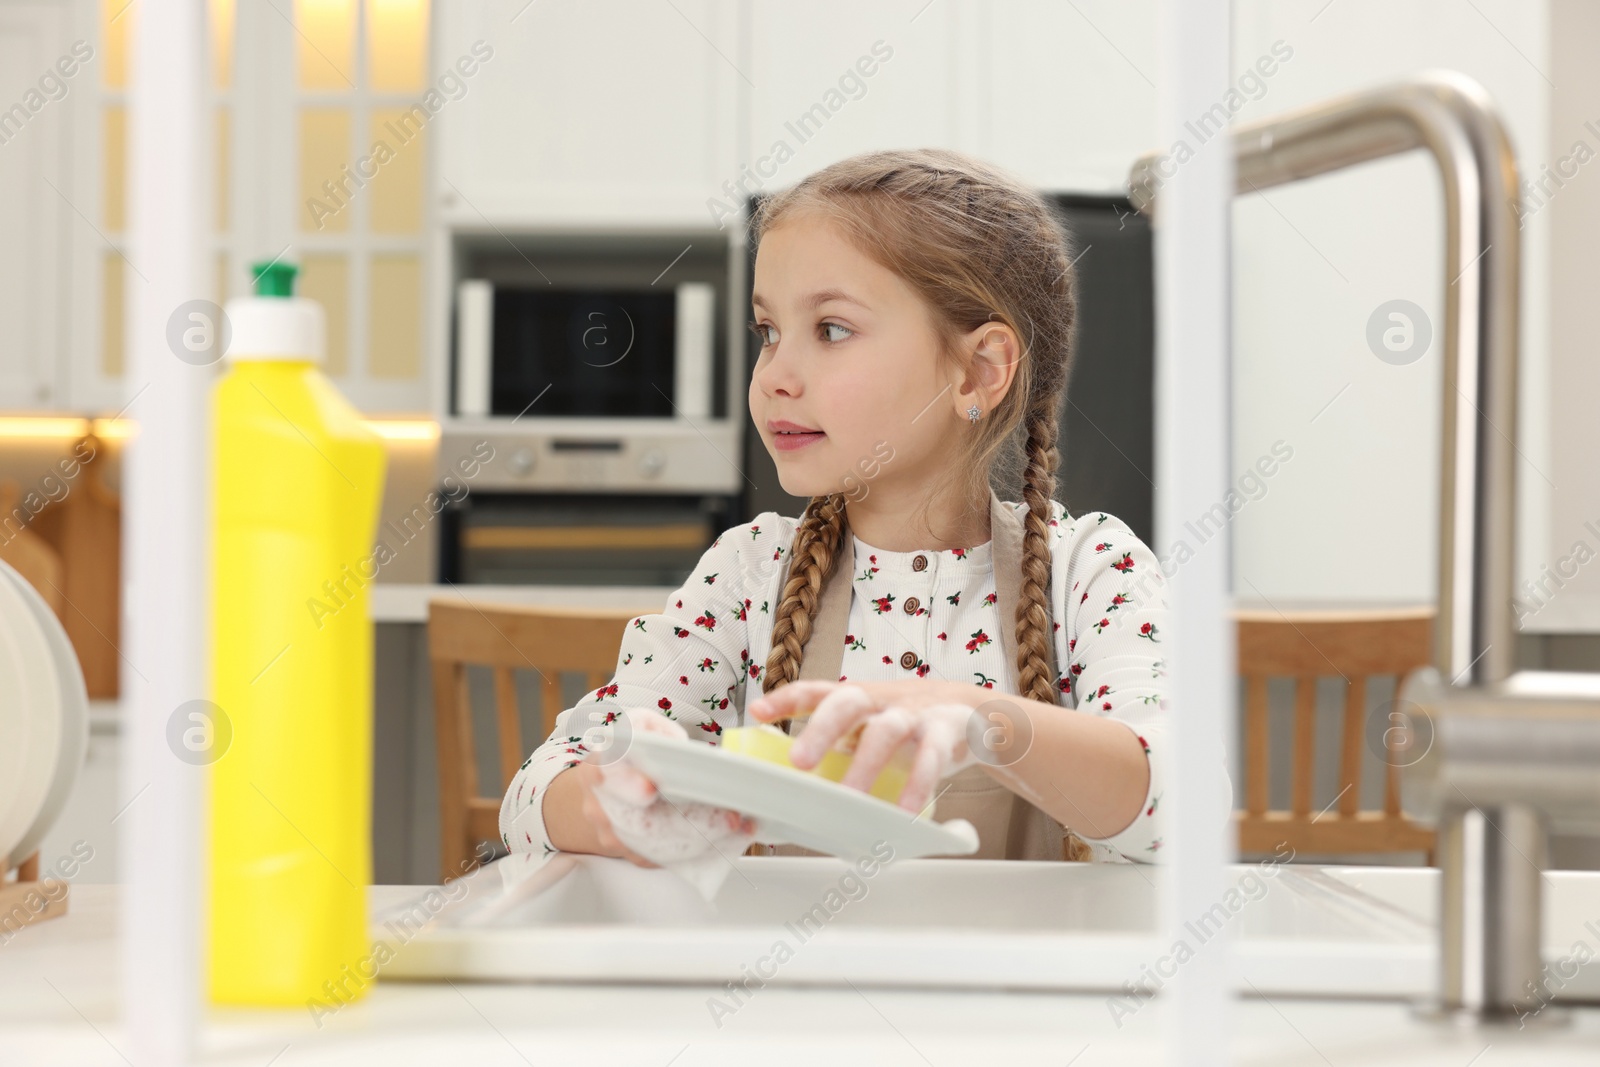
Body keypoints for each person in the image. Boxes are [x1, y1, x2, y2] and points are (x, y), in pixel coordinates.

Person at [500, 147, 1175, 868]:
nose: (775, 377)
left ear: (980, 370)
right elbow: (536, 792)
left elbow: (1175, 800)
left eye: (830, 329)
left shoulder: (1090, 573)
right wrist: (611, 805)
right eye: (768, 333)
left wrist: (983, 720)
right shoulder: (747, 574)